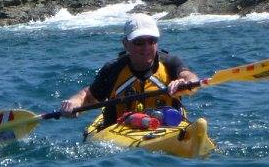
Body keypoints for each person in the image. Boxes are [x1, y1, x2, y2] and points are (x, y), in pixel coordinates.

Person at [59, 14, 201, 126]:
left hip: (167, 126)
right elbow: (89, 96)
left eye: (151, 41)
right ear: (126, 44)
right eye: (139, 42)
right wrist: (74, 104)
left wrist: (184, 83)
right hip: (122, 130)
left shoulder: (170, 63)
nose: (146, 47)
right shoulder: (114, 69)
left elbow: (190, 77)